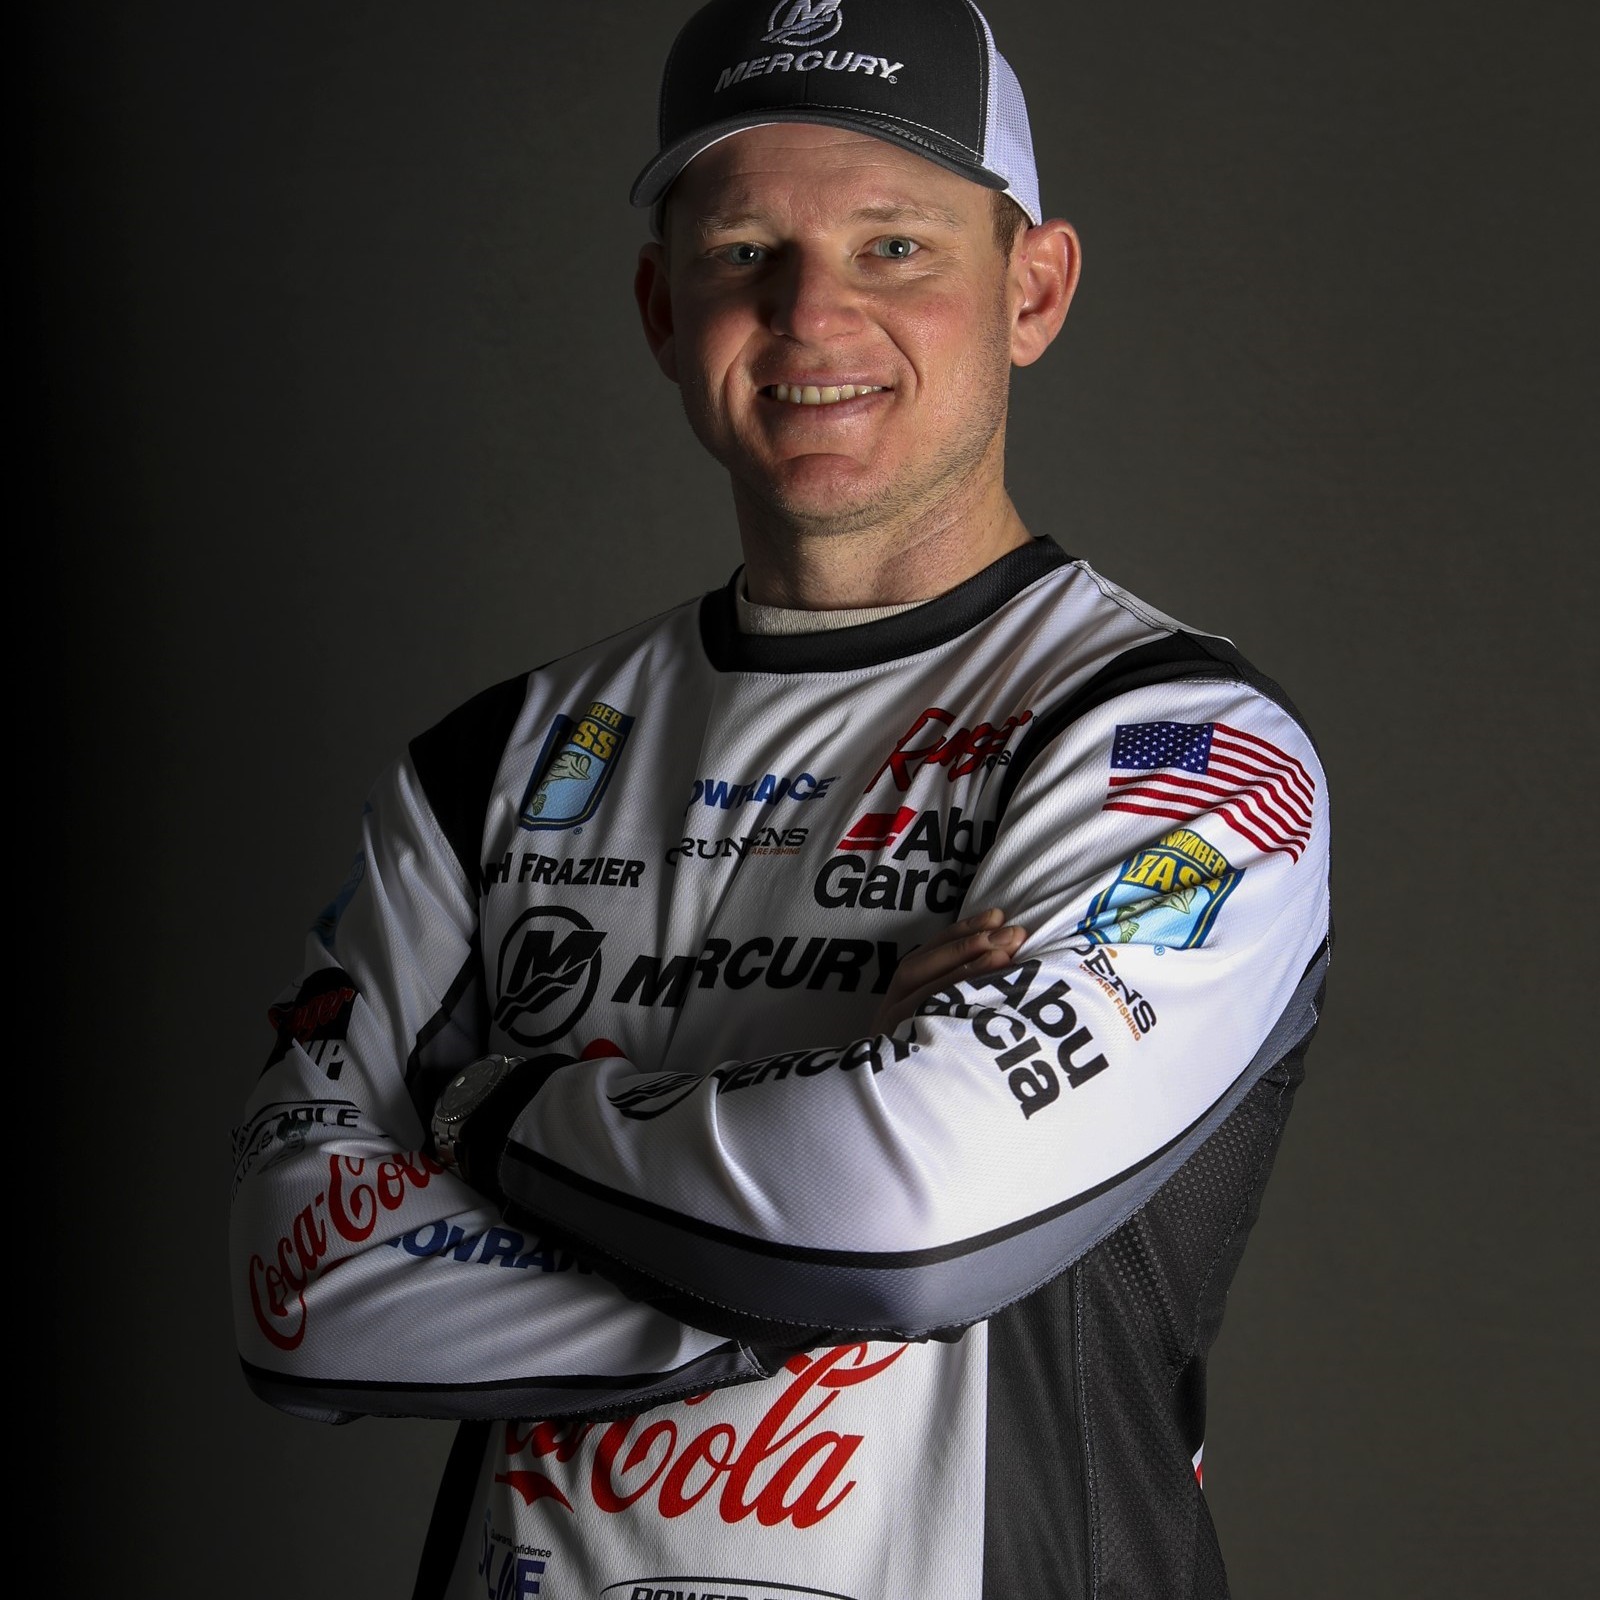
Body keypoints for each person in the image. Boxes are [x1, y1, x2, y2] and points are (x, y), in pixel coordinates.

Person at [230, 1, 1332, 1594]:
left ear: (1032, 291)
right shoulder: (493, 764)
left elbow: (902, 1215)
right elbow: (297, 1291)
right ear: (661, 307)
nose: (812, 313)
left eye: (894, 246)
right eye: (744, 251)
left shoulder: (1177, 744)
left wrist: (483, 1110)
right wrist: (807, 1175)